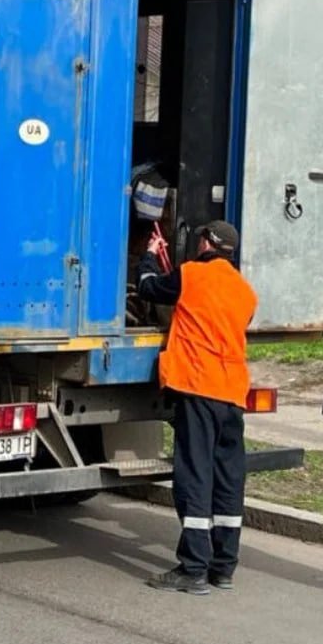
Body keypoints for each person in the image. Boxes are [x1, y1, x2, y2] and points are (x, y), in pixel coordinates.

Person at [137, 220, 257, 596]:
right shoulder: (245, 291)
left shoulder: (189, 275)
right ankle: (223, 566)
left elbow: (148, 289)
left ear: (205, 243)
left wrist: (148, 257)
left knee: (194, 475)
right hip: (232, 393)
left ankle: (193, 569)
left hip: (197, 387)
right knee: (227, 478)